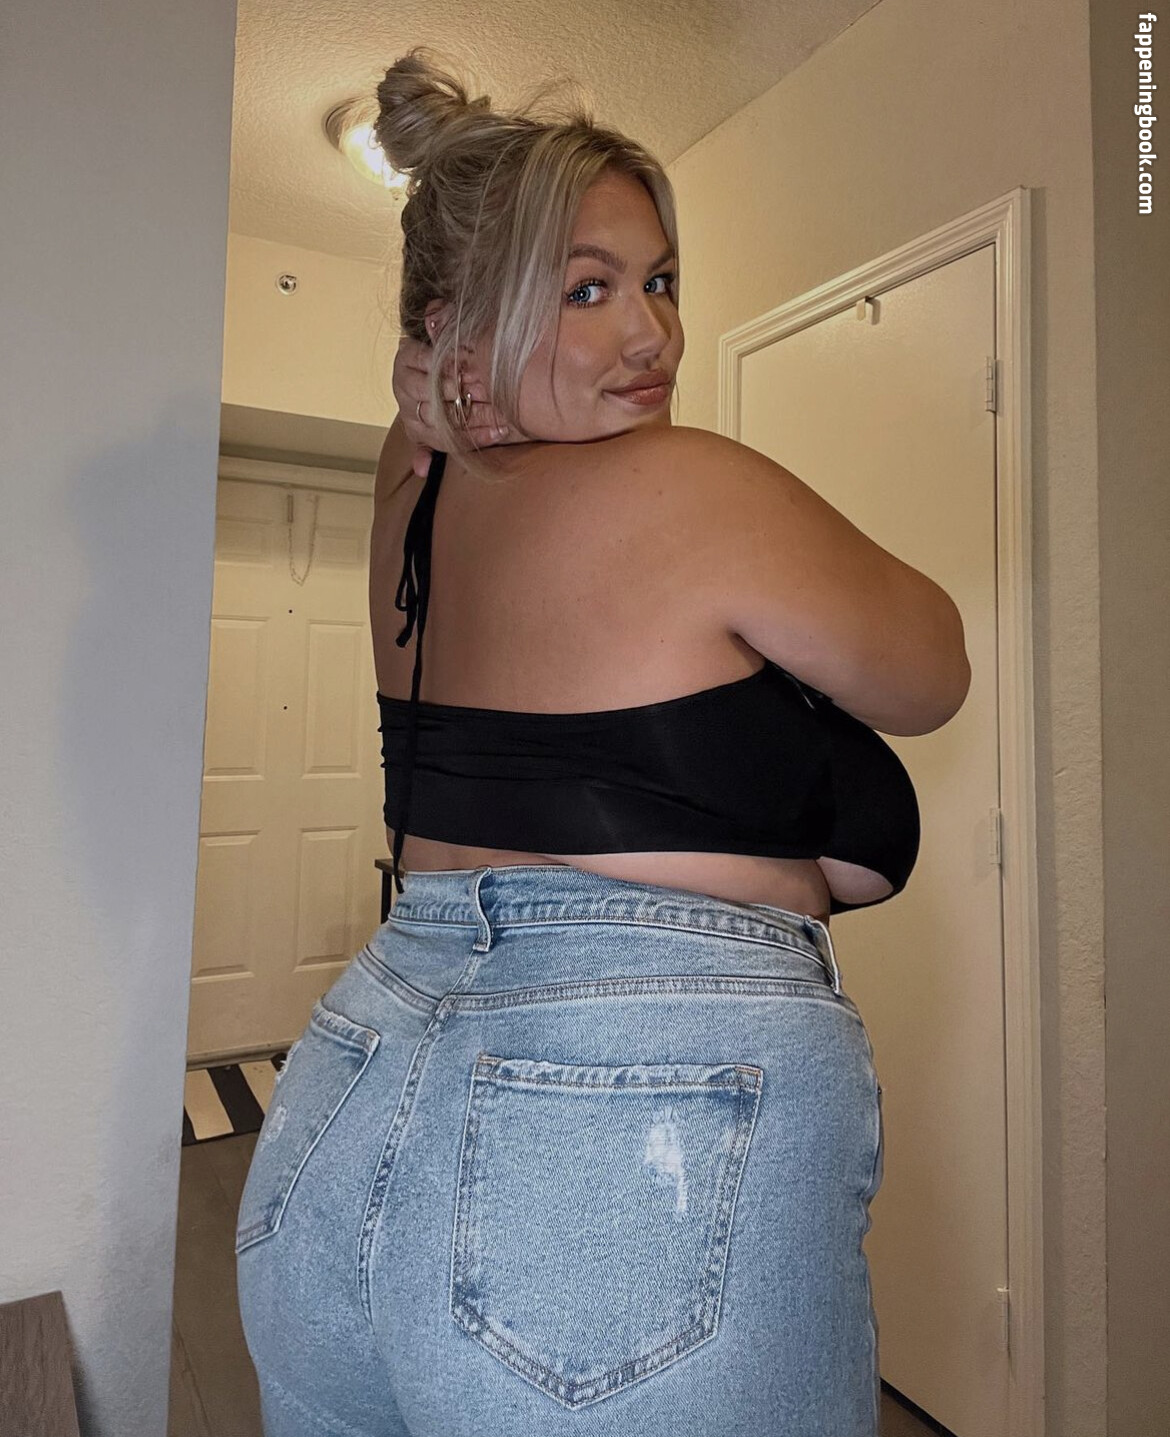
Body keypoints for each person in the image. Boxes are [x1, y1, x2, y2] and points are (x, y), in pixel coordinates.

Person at [235, 47, 970, 1437]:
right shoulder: (687, 486)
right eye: (584, 290)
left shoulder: (410, 495)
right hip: (623, 1131)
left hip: (349, 1090)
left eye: (659, 280)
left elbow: (421, 419)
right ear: (463, 328)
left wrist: (428, 387)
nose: (652, 335)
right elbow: (931, 666)